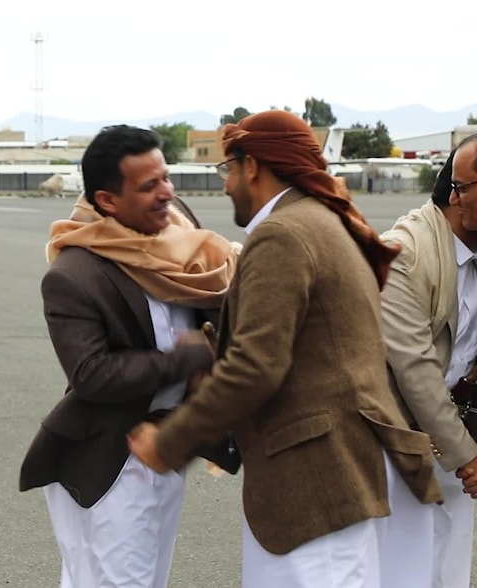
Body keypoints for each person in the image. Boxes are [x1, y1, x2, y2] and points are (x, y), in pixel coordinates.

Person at [127, 110, 443, 588]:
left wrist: (168, 442)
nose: (226, 184)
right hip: (335, 483)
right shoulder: (322, 221)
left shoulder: (283, 234)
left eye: (227, 169)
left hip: (313, 490)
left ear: (252, 166)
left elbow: (256, 367)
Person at [17, 125, 241, 588]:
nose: (167, 194)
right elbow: (91, 374)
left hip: (167, 445)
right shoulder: (75, 275)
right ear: (108, 200)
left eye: (165, 178)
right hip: (109, 456)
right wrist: (185, 359)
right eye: (149, 186)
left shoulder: (183, 240)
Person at [380, 140, 477, 588]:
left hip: (459, 431)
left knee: (452, 567)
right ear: (458, 194)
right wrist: (467, 456)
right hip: (394, 435)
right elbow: (414, 369)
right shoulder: (405, 253)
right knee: (401, 567)